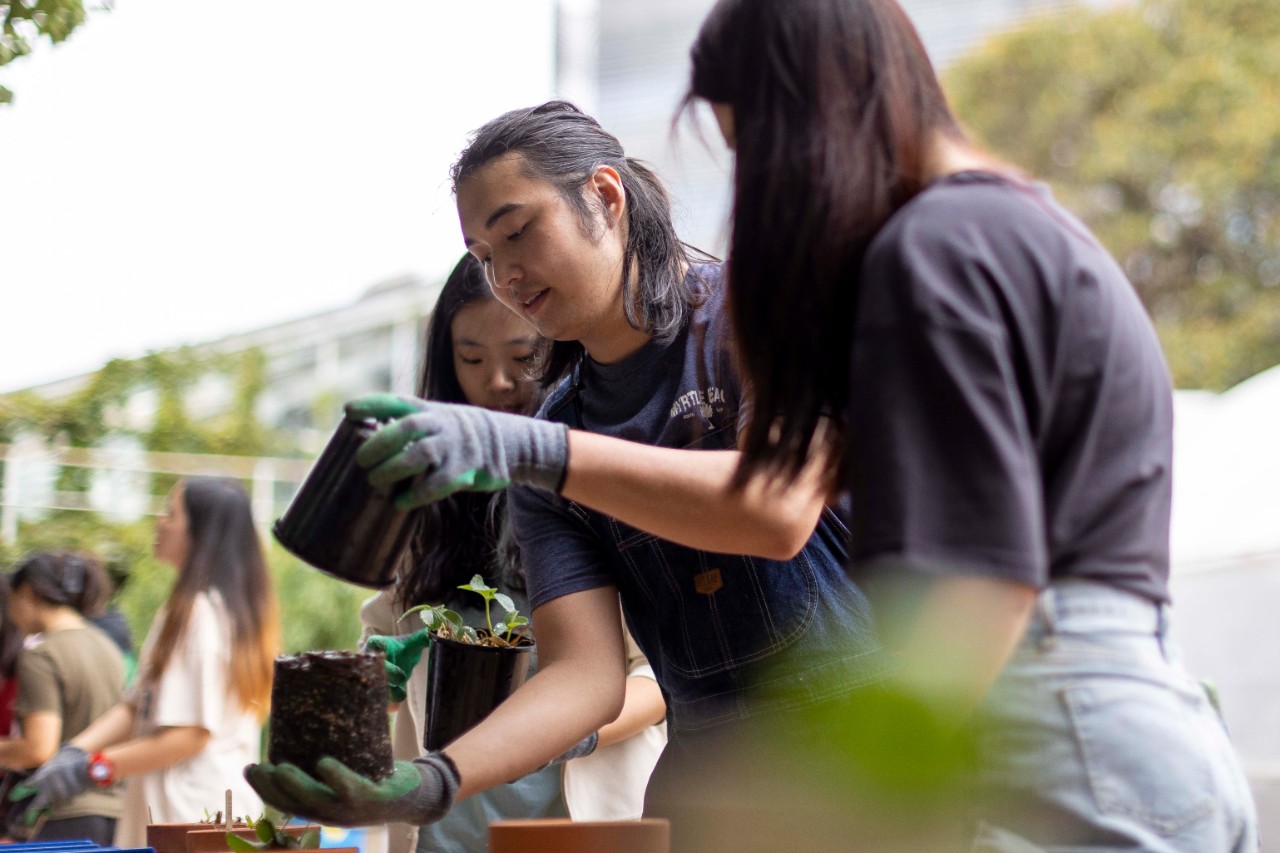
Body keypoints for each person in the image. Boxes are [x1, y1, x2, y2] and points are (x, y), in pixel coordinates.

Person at [682, 0, 1260, 850]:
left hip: (1058, 742)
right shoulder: (1022, 225)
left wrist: (833, 802)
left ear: (816, 115)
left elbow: (982, 591)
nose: (758, 194)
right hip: (1141, 729)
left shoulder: (932, 249)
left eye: (756, 153)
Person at [246, 101, 885, 851]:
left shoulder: (760, 312)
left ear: (605, 197)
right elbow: (586, 676)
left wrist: (540, 453)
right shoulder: (552, 426)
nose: (504, 274)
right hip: (711, 800)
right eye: (484, 253)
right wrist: (432, 781)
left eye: (518, 231)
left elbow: (775, 514)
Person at [358, 253, 667, 853]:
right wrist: (374, 679)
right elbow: (382, 677)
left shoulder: (605, 482)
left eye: (523, 358)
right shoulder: (426, 507)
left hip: (577, 828)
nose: (497, 382)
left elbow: (655, 681)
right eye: (471, 359)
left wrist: (565, 735)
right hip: (445, 835)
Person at [10, 478, 281, 848]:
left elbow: (191, 734)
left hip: (195, 814)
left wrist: (94, 768)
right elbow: (136, 705)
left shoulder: (204, 616)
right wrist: (73, 754)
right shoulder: (184, 611)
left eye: (171, 513)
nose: (160, 521)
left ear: (201, 533)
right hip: (173, 814)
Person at [0, 552, 125, 844]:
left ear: (28, 592)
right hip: (110, 809)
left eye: (12, 601)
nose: (12, 614)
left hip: (61, 813)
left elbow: (38, 748)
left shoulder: (41, 654)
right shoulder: (106, 646)